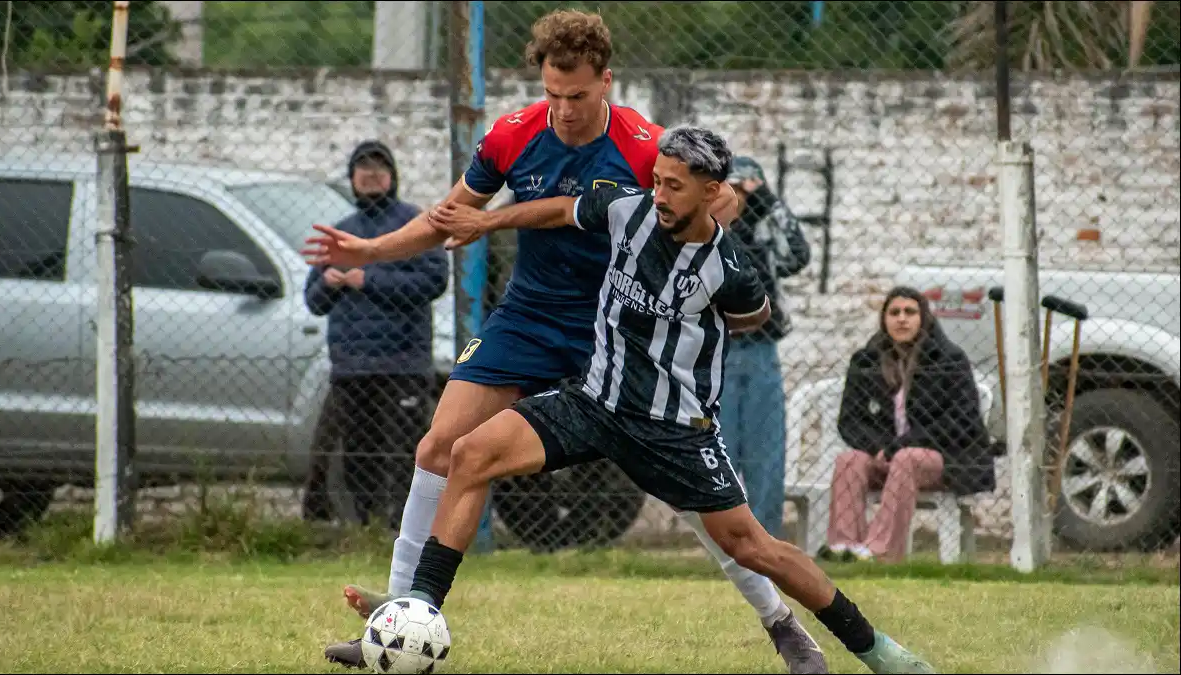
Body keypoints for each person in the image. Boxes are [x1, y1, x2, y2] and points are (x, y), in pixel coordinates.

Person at [306, 11, 826, 672]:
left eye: (577, 95)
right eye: (552, 93)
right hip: (528, 316)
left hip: (618, 326)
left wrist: (698, 226)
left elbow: (713, 203)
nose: (564, 110)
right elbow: (451, 218)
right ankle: (399, 620)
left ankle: (782, 623)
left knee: (693, 498)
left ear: (606, 80)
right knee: (438, 446)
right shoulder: (513, 135)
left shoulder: (645, 146)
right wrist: (369, 250)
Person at [393, 126, 934, 674]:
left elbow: (755, 316)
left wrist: (683, 343)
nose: (659, 195)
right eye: (657, 181)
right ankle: (416, 614)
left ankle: (878, 652)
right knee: (470, 454)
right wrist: (487, 221)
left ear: (711, 192)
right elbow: (558, 209)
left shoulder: (729, 269)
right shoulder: (625, 208)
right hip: (594, 403)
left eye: (674, 186)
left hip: (672, 430)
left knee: (753, 546)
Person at [304, 140, 449, 529]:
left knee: (404, 453)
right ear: (352, 178)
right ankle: (365, 527)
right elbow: (314, 301)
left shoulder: (416, 225)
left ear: (392, 176)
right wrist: (330, 281)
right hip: (351, 368)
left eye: (378, 170)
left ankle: (405, 528)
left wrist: (367, 279)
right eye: (363, 170)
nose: (370, 176)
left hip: (402, 365)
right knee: (357, 454)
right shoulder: (342, 231)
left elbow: (434, 281)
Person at [823, 287, 995, 563]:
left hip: (946, 458)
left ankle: (878, 552)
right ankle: (844, 547)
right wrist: (878, 447)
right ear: (884, 320)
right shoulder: (866, 360)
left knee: (907, 459)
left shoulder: (949, 359)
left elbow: (961, 421)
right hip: (887, 454)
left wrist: (900, 446)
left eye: (910, 312)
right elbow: (850, 420)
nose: (901, 319)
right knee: (849, 460)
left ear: (923, 318)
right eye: (894, 313)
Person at [721, 156, 811, 537]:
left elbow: (798, 255)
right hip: (716, 354)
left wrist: (769, 202)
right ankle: (722, 538)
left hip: (761, 350)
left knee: (766, 453)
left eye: (745, 190)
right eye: (730, 189)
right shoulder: (705, 230)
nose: (737, 197)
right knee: (719, 450)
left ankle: (765, 540)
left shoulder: (765, 230)